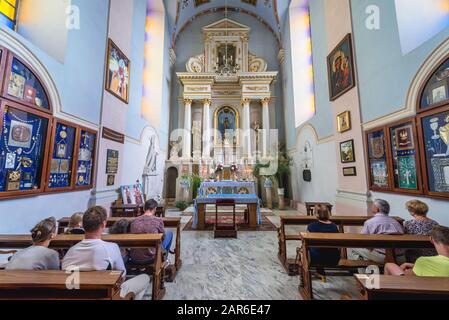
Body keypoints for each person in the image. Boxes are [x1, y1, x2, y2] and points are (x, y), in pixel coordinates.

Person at [62, 206, 150, 300]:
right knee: (145, 278)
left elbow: (66, 279)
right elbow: (122, 276)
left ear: (83, 225)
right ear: (104, 224)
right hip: (106, 295)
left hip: (76, 296)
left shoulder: (70, 252)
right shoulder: (112, 248)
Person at [350, 199, 404, 264]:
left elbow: (362, 240)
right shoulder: (396, 223)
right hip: (400, 257)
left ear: (377, 209)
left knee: (354, 248)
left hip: (382, 256)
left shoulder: (370, 222)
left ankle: (364, 272)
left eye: (373, 205)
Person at [384, 225, 449, 277]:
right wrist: (414, 265)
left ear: (431, 239)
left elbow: (412, 278)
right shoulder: (425, 262)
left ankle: (385, 292)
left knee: (389, 265)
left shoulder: (424, 261)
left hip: (423, 291)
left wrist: (408, 271)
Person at [130, 199, 173, 265]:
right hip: (151, 257)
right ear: (155, 208)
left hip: (134, 257)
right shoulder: (158, 220)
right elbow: (163, 238)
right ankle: (163, 258)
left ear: (144, 208)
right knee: (169, 233)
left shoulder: (134, 221)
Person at [306, 205, 341, 275]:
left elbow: (306, 242)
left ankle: (316, 270)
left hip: (316, 259)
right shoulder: (334, 226)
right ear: (328, 213)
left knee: (307, 248)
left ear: (316, 214)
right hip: (333, 258)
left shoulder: (311, 226)